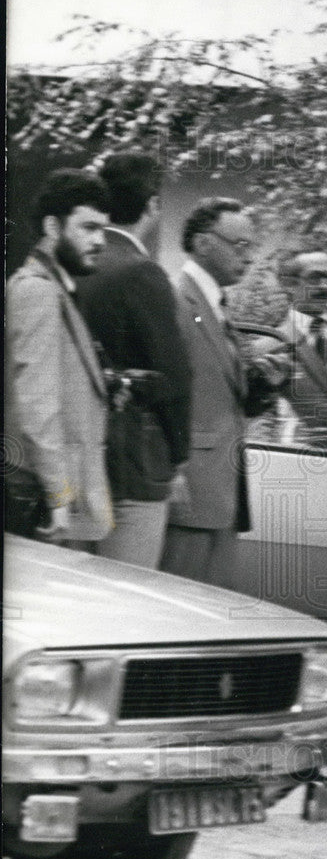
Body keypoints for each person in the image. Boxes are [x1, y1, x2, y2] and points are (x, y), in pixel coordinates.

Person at [77, 153, 192, 568]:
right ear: (153, 206)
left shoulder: (72, 263)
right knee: (127, 587)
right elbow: (174, 376)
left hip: (76, 455)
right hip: (132, 462)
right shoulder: (142, 273)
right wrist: (177, 457)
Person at [159, 198, 280, 587]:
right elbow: (165, 394)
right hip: (192, 486)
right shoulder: (176, 300)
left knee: (212, 604)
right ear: (203, 243)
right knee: (184, 603)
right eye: (240, 245)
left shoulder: (215, 305)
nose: (249, 257)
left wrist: (260, 383)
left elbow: (220, 389)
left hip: (221, 489)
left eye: (251, 246)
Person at [5, 169, 114, 545]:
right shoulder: (38, 291)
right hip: (42, 494)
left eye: (103, 229)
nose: (100, 241)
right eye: (88, 228)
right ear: (53, 227)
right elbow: (36, 404)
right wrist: (59, 496)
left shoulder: (55, 288)